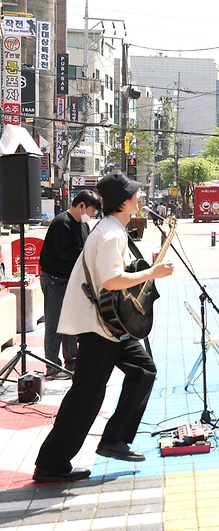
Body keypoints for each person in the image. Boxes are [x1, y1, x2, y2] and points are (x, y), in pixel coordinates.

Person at [33, 172, 175, 484]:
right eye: (135, 194)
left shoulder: (112, 230)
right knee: (87, 394)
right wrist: (153, 272)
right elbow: (111, 280)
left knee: (142, 370)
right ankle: (52, 463)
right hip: (98, 326)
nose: (139, 198)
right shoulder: (110, 233)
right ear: (124, 202)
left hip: (108, 323)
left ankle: (113, 439)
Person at [38, 190, 102, 379]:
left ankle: (71, 361)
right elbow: (66, 253)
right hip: (54, 279)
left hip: (70, 279)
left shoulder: (82, 225)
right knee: (55, 323)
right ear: (82, 205)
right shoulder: (61, 222)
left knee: (72, 322)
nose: (92, 215)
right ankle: (52, 365)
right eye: (92, 210)